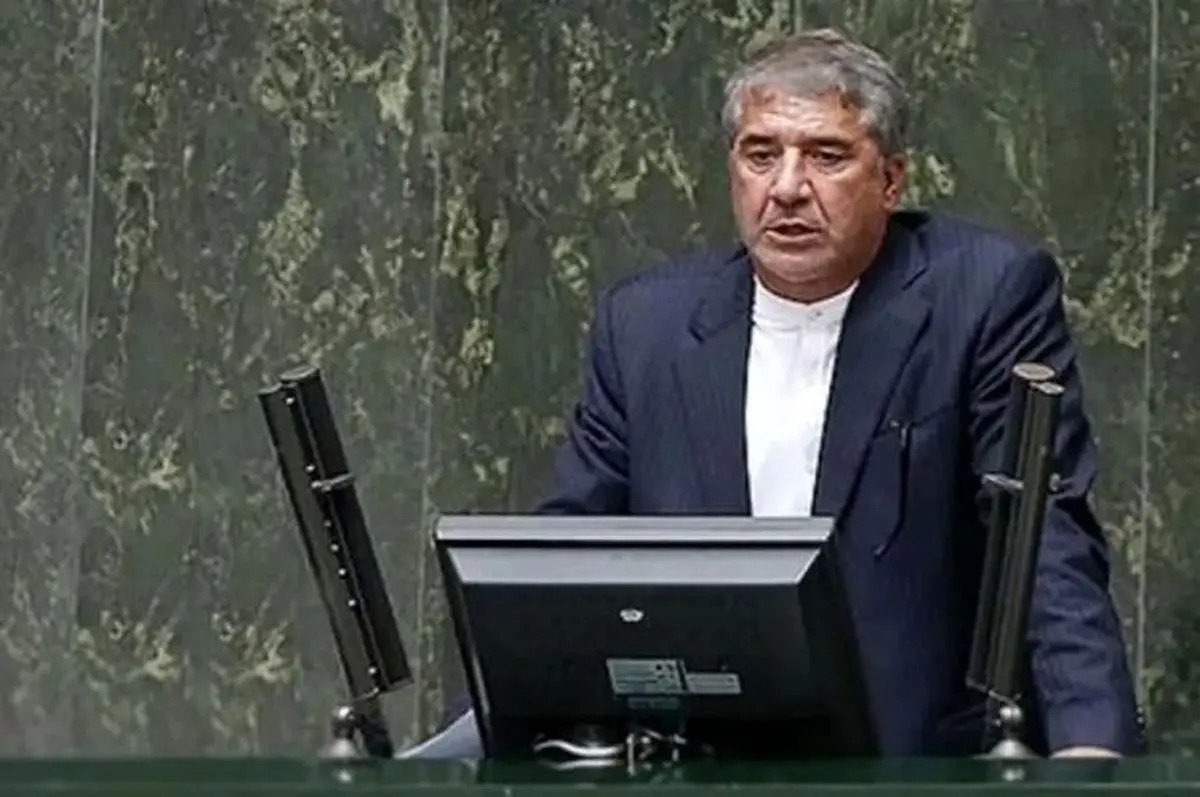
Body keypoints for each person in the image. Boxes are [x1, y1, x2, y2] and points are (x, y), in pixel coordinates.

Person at [532, 29, 1142, 758]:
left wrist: (1089, 748)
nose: (788, 187)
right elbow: (560, 563)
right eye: (761, 155)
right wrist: (473, 743)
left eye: (826, 156)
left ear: (891, 180)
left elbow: (1043, 539)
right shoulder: (645, 327)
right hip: (701, 765)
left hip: (914, 766)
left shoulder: (983, 296)